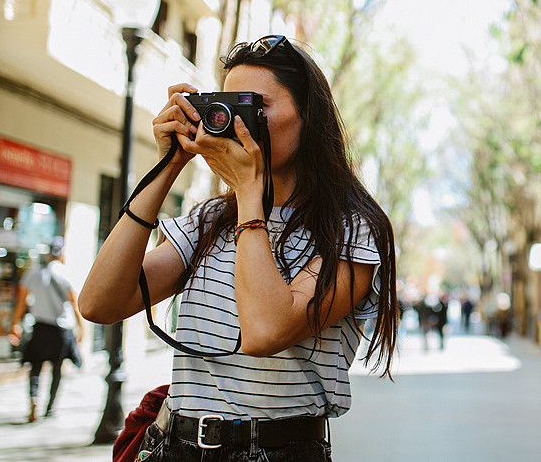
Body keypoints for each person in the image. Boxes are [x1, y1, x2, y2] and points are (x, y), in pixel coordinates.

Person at [79, 35, 398, 461]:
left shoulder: (352, 231)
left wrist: (250, 192)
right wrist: (168, 165)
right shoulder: (211, 219)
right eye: (227, 107)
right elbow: (100, 302)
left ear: (309, 117)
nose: (237, 123)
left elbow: (264, 331)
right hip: (173, 446)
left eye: (257, 106)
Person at [8, 237, 84, 422]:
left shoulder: (33, 274)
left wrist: (14, 325)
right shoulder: (67, 274)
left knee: (35, 367)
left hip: (40, 327)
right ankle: (50, 408)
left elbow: (21, 302)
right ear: (62, 253)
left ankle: (34, 399)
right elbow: (75, 303)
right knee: (57, 370)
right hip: (61, 329)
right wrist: (81, 327)